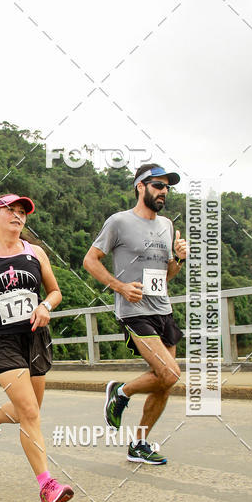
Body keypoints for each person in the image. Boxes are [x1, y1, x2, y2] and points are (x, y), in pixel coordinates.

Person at [0, 194, 74, 502]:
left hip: (35, 338)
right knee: (31, 414)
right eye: (10, 210)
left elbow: (55, 291)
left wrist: (45, 305)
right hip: (1, 342)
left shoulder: (35, 253)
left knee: (31, 409)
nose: (17, 215)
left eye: (22, 211)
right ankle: (47, 486)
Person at [83, 163, 188, 464]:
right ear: (140, 186)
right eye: (157, 185)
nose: (163, 192)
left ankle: (139, 444)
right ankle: (122, 392)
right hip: (134, 310)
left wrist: (178, 259)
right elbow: (90, 260)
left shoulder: (167, 225)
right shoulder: (119, 222)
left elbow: (166, 276)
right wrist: (120, 286)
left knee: (165, 381)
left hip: (162, 309)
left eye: (167, 187)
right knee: (170, 373)